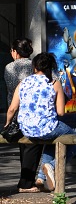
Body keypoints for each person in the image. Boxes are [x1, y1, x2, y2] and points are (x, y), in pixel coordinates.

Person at [5, 52, 76, 193]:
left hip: (26, 128)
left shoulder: (23, 82)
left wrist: (7, 123)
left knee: (55, 139)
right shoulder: (54, 83)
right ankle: (50, 165)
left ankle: (41, 177)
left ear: (34, 67)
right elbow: (61, 112)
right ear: (50, 67)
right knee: (73, 137)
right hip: (46, 128)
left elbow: (12, 108)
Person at [4, 38, 44, 192]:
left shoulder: (9, 67)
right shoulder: (36, 65)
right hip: (34, 112)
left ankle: (27, 180)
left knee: (25, 147)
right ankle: (27, 182)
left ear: (15, 52)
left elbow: (10, 89)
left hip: (16, 111)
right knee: (32, 146)